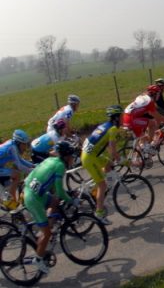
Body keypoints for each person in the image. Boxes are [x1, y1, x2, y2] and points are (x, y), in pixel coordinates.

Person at [23, 141, 77, 274]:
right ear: (65, 157)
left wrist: (59, 196)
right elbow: (59, 190)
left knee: (54, 201)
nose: (73, 158)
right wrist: (71, 200)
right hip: (33, 199)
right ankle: (38, 259)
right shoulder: (60, 166)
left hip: (30, 189)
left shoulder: (51, 159)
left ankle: (47, 226)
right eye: (71, 156)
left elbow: (52, 187)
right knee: (46, 233)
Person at [81, 105, 127, 225]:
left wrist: (113, 159)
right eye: (121, 116)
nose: (122, 118)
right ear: (116, 118)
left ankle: (95, 189)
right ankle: (99, 213)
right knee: (103, 185)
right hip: (90, 158)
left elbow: (105, 145)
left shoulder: (104, 125)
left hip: (91, 154)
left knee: (109, 164)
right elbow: (112, 150)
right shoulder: (112, 129)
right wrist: (122, 160)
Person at [123, 85, 164, 155]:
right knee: (153, 123)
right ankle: (147, 146)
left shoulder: (142, 96)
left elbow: (146, 111)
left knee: (143, 135)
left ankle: (140, 155)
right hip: (132, 119)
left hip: (126, 117)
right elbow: (159, 117)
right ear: (154, 94)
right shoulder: (150, 102)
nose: (159, 96)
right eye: (158, 94)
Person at [0, 129, 35, 209]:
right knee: (16, 174)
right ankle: (12, 205)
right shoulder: (12, 147)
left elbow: (21, 160)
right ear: (18, 143)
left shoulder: (13, 145)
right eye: (24, 144)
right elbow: (20, 165)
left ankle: (10, 203)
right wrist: (33, 171)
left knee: (9, 185)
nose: (25, 147)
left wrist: (33, 166)